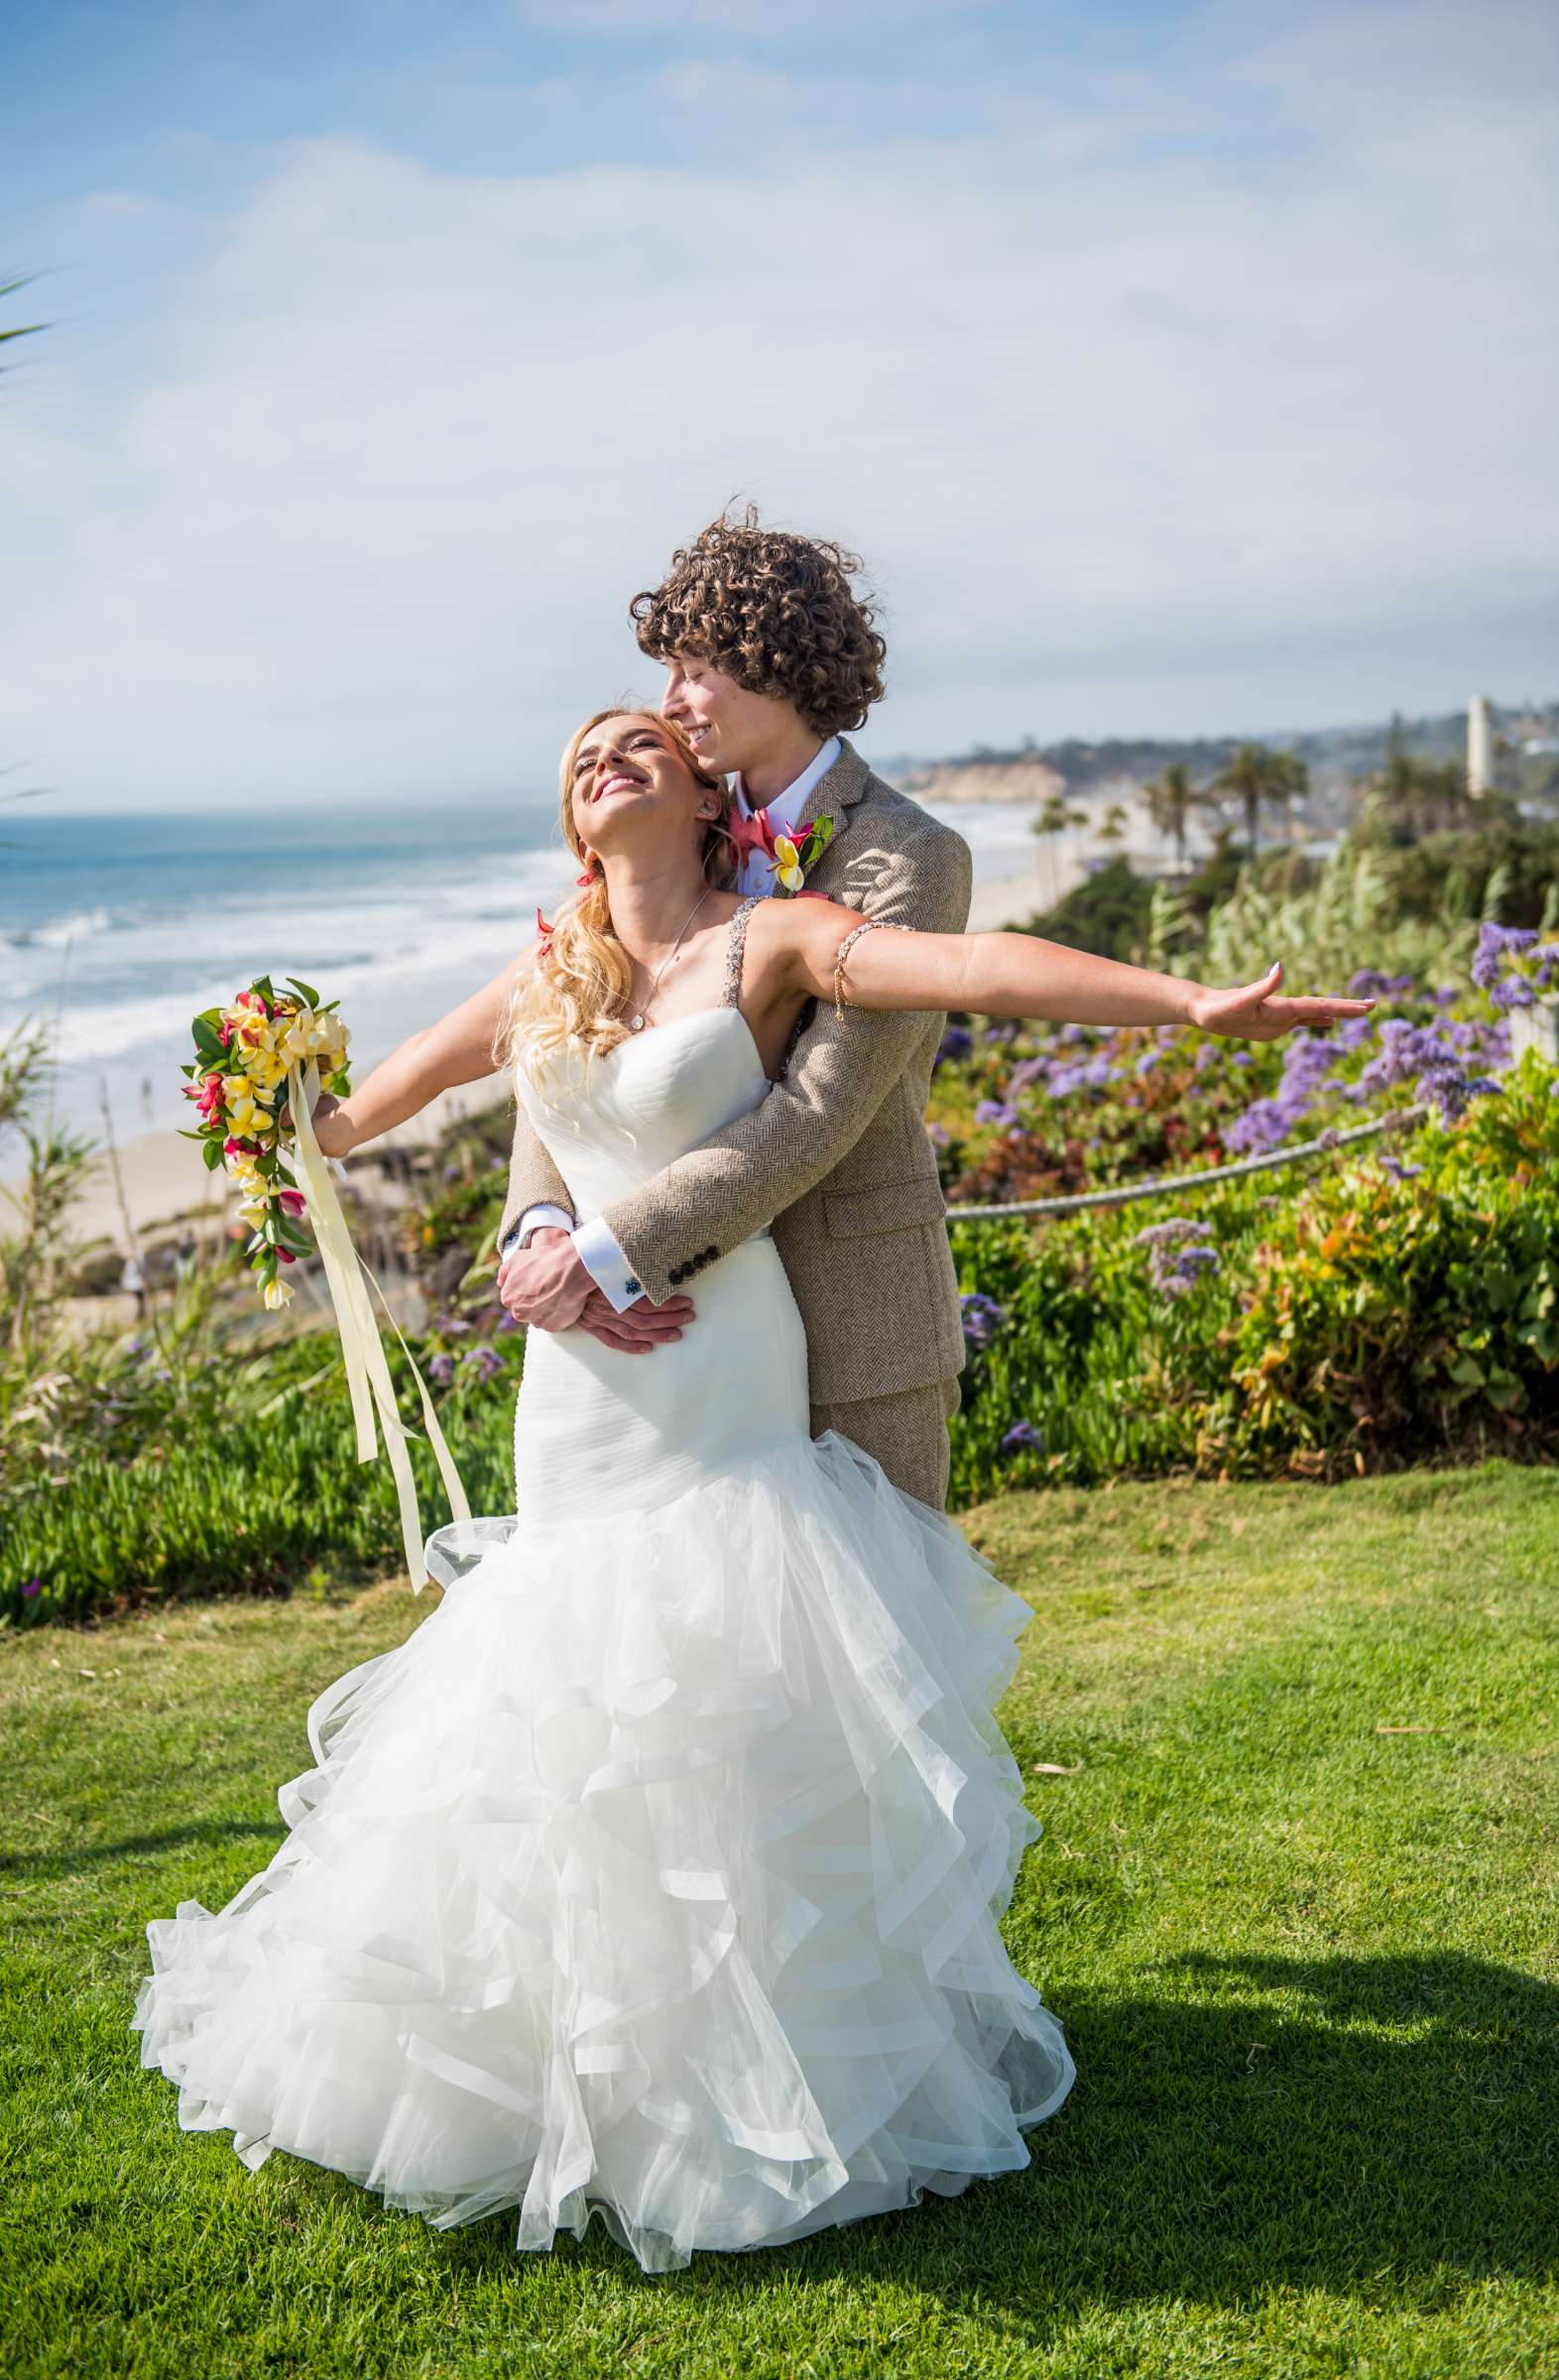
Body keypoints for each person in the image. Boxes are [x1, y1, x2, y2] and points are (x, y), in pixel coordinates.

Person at [129, 693, 1373, 2274]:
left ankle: (768, 2078)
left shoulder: (772, 936)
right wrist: (272, 1110)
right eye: (581, 750)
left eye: (639, 735)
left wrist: (1187, 1007)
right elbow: (363, 1115)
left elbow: (969, 968)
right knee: (558, 1706)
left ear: (700, 797)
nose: (609, 750)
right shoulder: (549, 976)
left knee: (724, 1705)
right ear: (574, 823)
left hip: (720, 1363)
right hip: (576, 1390)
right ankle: (548, 2075)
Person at [495, 509, 976, 1510]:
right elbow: (572, 1042)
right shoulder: (670, 823)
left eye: (694, 667)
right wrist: (541, 1229)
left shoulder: (911, 857)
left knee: (865, 1643)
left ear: (778, 664)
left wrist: (609, 1253)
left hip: (852, 1312)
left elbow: (817, 1112)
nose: (672, 702)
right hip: (671, 1334)